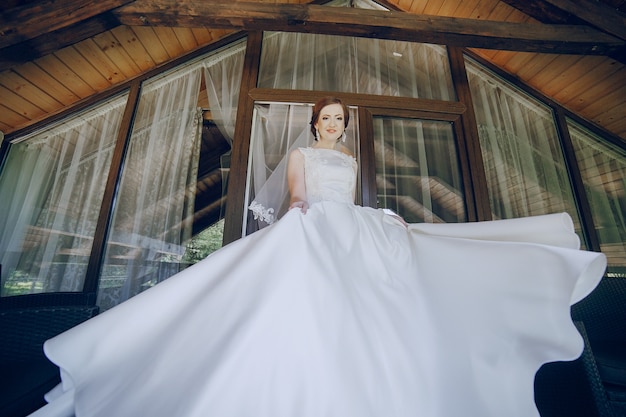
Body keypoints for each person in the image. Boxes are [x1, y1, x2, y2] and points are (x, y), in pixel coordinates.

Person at [30, 97, 606, 417]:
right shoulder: (302, 152)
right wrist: (305, 214)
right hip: (314, 221)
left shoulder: (352, 161)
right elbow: (301, 195)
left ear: (345, 126)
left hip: (349, 222)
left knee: (394, 270)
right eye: (326, 117)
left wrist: (380, 216)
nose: (333, 124)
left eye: (339, 119)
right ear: (315, 123)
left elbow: (349, 198)